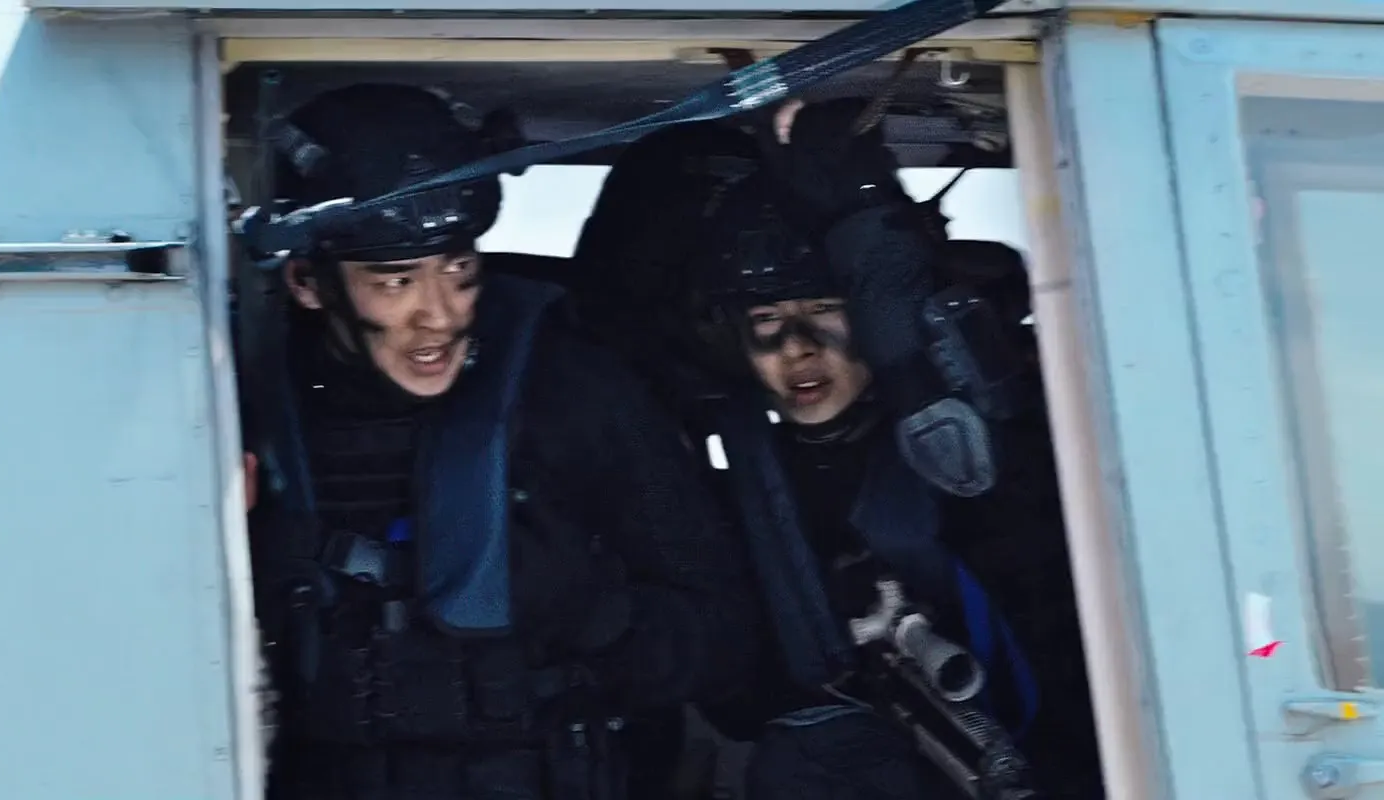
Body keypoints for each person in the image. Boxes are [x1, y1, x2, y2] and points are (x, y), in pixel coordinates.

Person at [233, 81, 760, 800]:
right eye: (396, 281)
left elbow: (727, 648)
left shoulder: (572, 392)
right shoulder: (243, 404)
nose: (440, 315)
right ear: (307, 283)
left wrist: (595, 612)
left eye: (459, 269)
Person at [662, 99, 1105, 799]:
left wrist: (861, 206)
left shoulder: (973, 463)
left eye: (824, 310)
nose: (797, 347)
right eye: (767, 318)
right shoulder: (743, 483)